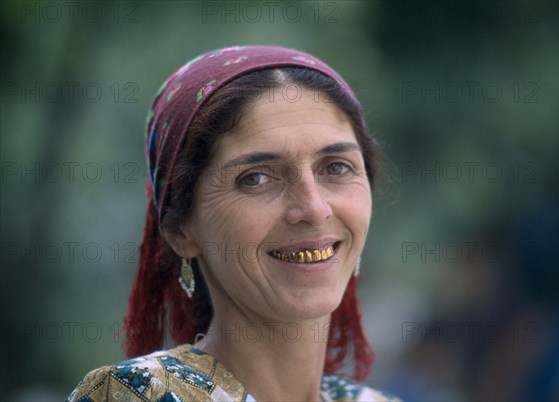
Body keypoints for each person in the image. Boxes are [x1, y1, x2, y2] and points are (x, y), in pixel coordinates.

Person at [66, 45, 401, 402]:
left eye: (336, 167)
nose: (314, 209)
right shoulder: (137, 396)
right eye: (255, 178)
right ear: (181, 231)